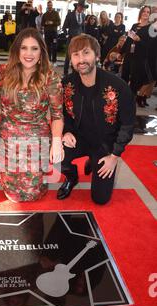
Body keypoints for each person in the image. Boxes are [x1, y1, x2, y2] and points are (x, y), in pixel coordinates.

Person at [0, 28, 64, 202]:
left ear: (41, 52)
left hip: (37, 139)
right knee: (13, 195)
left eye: (34, 48)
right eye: (24, 48)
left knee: (32, 193)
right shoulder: (5, 71)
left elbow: (57, 114)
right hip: (8, 138)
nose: (29, 54)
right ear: (17, 50)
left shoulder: (50, 77)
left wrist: (57, 141)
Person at [58, 34, 135, 204]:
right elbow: (62, 113)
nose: (81, 59)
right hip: (79, 138)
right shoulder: (66, 84)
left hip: (104, 145)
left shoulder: (118, 86)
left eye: (86, 53)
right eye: (76, 55)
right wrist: (66, 132)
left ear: (97, 56)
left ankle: (93, 162)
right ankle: (71, 177)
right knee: (54, 150)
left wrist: (114, 156)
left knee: (100, 199)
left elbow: (128, 125)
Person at [62, 0, 88, 76]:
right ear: (77, 6)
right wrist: (67, 35)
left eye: (83, 8)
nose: (82, 9)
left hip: (79, 40)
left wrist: (84, 34)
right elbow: (64, 27)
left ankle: (75, 73)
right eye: (81, 7)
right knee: (68, 56)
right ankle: (65, 73)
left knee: (77, 56)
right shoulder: (70, 15)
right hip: (70, 39)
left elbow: (83, 28)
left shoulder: (83, 15)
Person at [41, 1, 61, 66]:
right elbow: (42, 23)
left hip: (54, 33)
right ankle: (48, 60)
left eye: (51, 5)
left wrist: (52, 23)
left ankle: (54, 61)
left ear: (52, 6)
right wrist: (45, 23)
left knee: (54, 46)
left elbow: (59, 22)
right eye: (49, 5)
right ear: (47, 6)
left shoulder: (56, 13)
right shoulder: (45, 14)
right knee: (48, 47)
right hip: (47, 33)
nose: (50, 6)